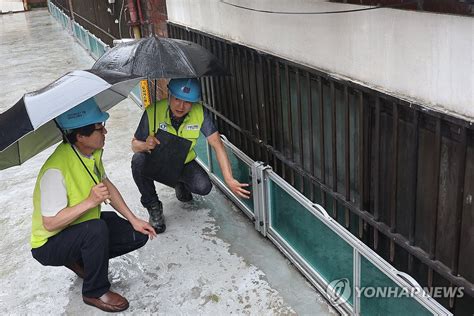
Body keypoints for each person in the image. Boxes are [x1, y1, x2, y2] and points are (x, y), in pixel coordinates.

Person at [30, 100, 157, 313]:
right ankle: (94, 291)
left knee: (134, 234)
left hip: (77, 226)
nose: (105, 131)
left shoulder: (91, 153)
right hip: (49, 243)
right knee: (96, 230)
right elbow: (50, 223)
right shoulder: (55, 170)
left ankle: (79, 259)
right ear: (80, 136)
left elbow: (106, 185)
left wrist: (134, 219)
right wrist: (90, 201)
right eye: (99, 128)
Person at [131, 78, 251, 234]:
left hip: (183, 163)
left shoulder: (199, 113)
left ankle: (179, 183)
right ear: (169, 95)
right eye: (177, 99)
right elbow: (134, 145)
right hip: (158, 162)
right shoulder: (153, 111)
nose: (181, 106)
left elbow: (217, 145)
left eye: (188, 102)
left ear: (194, 102)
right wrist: (146, 145)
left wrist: (229, 179)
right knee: (138, 160)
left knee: (203, 187)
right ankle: (153, 206)